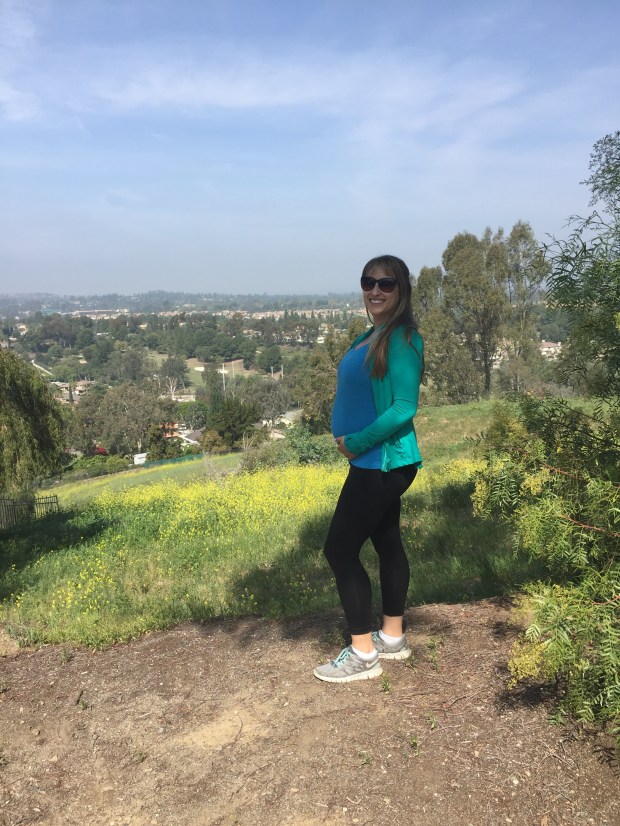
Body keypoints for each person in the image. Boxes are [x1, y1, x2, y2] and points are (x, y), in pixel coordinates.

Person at [314, 254, 424, 684]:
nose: (375, 290)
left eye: (386, 283)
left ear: (402, 290)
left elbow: (404, 407)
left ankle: (363, 654)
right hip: (374, 461)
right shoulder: (375, 334)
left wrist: (356, 442)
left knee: (339, 550)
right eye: (368, 282)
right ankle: (392, 637)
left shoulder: (403, 338)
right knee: (387, 541)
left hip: (381, 460)